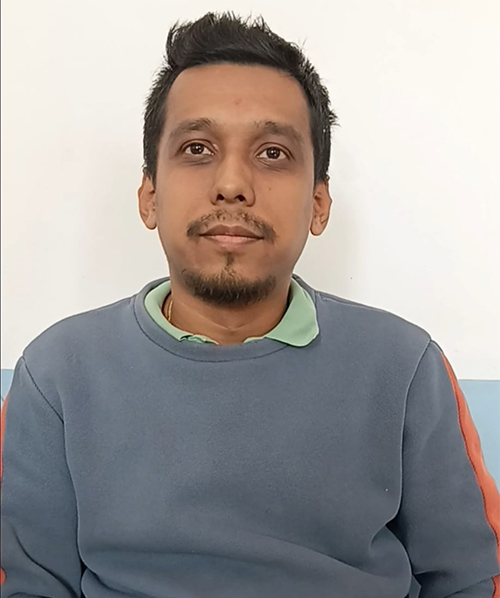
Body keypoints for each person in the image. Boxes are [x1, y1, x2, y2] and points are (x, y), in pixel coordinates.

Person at [1, 10, 498, 598]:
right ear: (150, 196)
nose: (233, 184)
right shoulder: (57, 374)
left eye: (272, 153)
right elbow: (28, 584)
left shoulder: (405, 367)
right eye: (197, 148)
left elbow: (471, 579)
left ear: (318, 204)